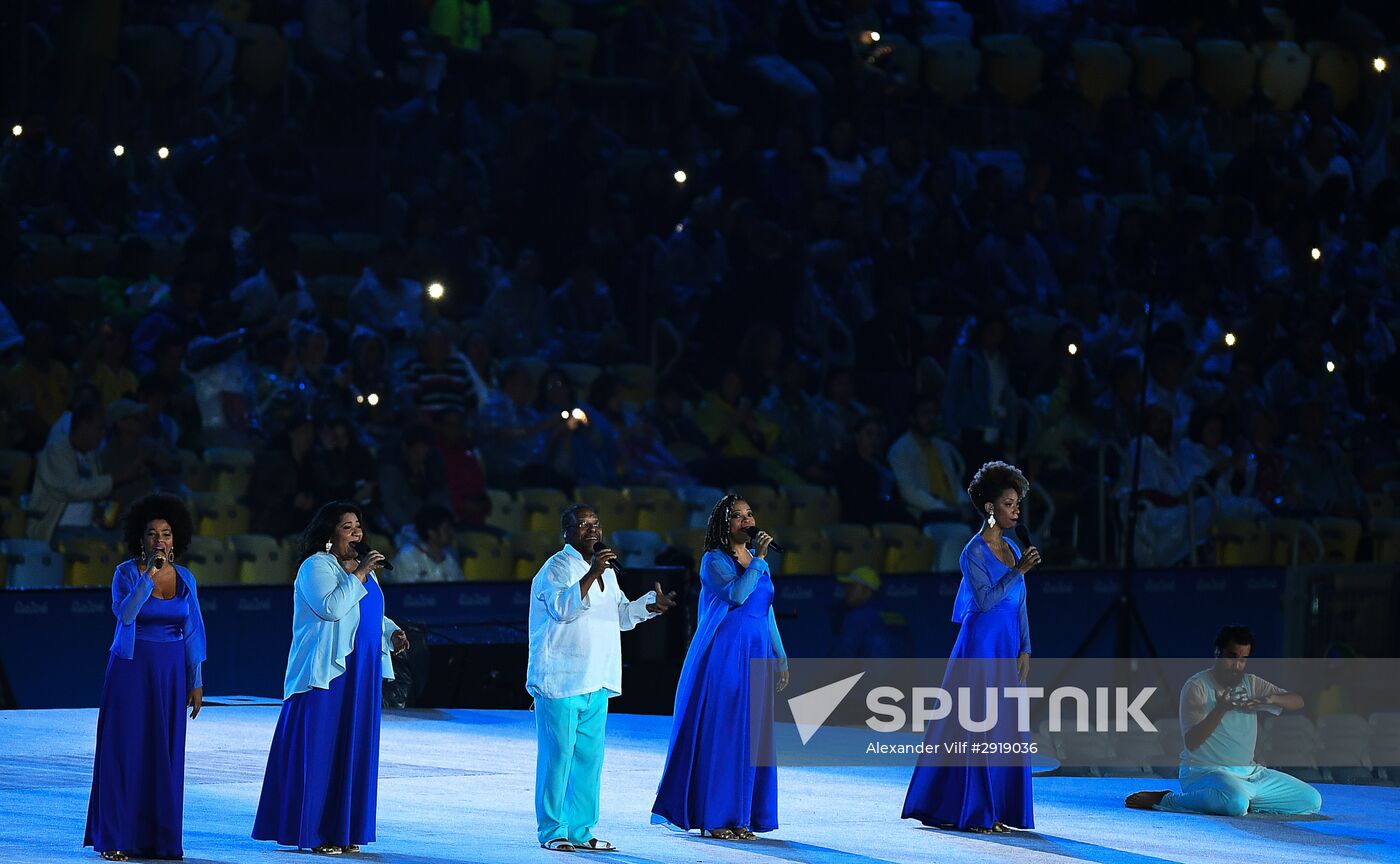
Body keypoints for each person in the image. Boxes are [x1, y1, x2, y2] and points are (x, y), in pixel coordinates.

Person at [253, 502, 410, 854]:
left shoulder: (360, 570)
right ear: (329, 534)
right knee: (323, 751)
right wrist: (360, 574)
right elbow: (332, 608)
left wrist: (391, 633)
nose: (357, 534)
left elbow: (365, 614)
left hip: (361, 671)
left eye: (358, 526)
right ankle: (318, 831)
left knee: (353, 750)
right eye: (347, 527)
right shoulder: (315, 567)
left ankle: (346, 829)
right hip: (327, 675)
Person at [526, 504, 677, 852]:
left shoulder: (606, 572)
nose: (591, 530)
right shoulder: (556, 569)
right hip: (561, 681)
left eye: (596, 524)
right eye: (582, 525)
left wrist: (648, 607)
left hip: (596, 679)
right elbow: (563, 609)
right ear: (566, 532)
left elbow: (620, 615)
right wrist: (593, 572)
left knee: (589, 762)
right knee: (558, 758)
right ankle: (552, 830)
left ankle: (581, 830)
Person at [903, 461, 1040, 834]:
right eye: (1010, 504)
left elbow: (1019, 603)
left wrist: (1026, 648)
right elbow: (985, 601)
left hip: (1008, 642)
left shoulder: (1013, 546)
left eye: (1017, 504)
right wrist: (1019, 572)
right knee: (978, 723)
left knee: (1005, 726)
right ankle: (974, 810)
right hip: (981, 643)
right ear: (991, 508)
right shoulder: (972, 553)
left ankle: (999, 809)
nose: (1016, 511)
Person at [652, 494, 788, 840]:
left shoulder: (761, 564)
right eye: (738, 516)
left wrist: (781, 654)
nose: (747, 520)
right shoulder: (713, 561)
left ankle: (740, 816)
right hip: (725, 653)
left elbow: (765, 608)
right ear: (724, 525)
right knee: (724, 734)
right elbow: (738, 595)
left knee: (750, 737)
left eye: (750, 513)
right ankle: (714, 817)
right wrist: (757, 560)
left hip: (756, 652)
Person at [85, 493, 207, 861]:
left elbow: (193, 631)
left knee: (164, 755)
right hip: (131, 671)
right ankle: (116, 838)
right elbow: (125, 614)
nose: (160, 541)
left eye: (166, 534)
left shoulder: (186, 578)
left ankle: (161, 839)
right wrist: (149, 575)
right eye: (153, 534)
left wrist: (196, 679)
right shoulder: (125, 573)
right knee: (126, 752)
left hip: (170, 676)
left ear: (176, 538)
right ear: (141, 539)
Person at [1126, 625, 1322, 817]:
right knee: (1235, 802)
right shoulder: (1197, 686)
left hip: (1250, 773)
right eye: (1232, 657)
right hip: (1205, 773)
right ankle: (1167, 800)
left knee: (1312, 800)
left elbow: (1297, 701)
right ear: (1217, 652)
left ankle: (1235, 800)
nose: (1237, 666)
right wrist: (1220, 709)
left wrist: (1269, 699)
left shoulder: (1252, 683)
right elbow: (1192, 742)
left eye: (1244, 659)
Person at [389, 503, 460, 583]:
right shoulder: (406, 558)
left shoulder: (450, 559)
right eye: (446, 529)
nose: (452, 532)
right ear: (431, 532)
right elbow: (406, 593)